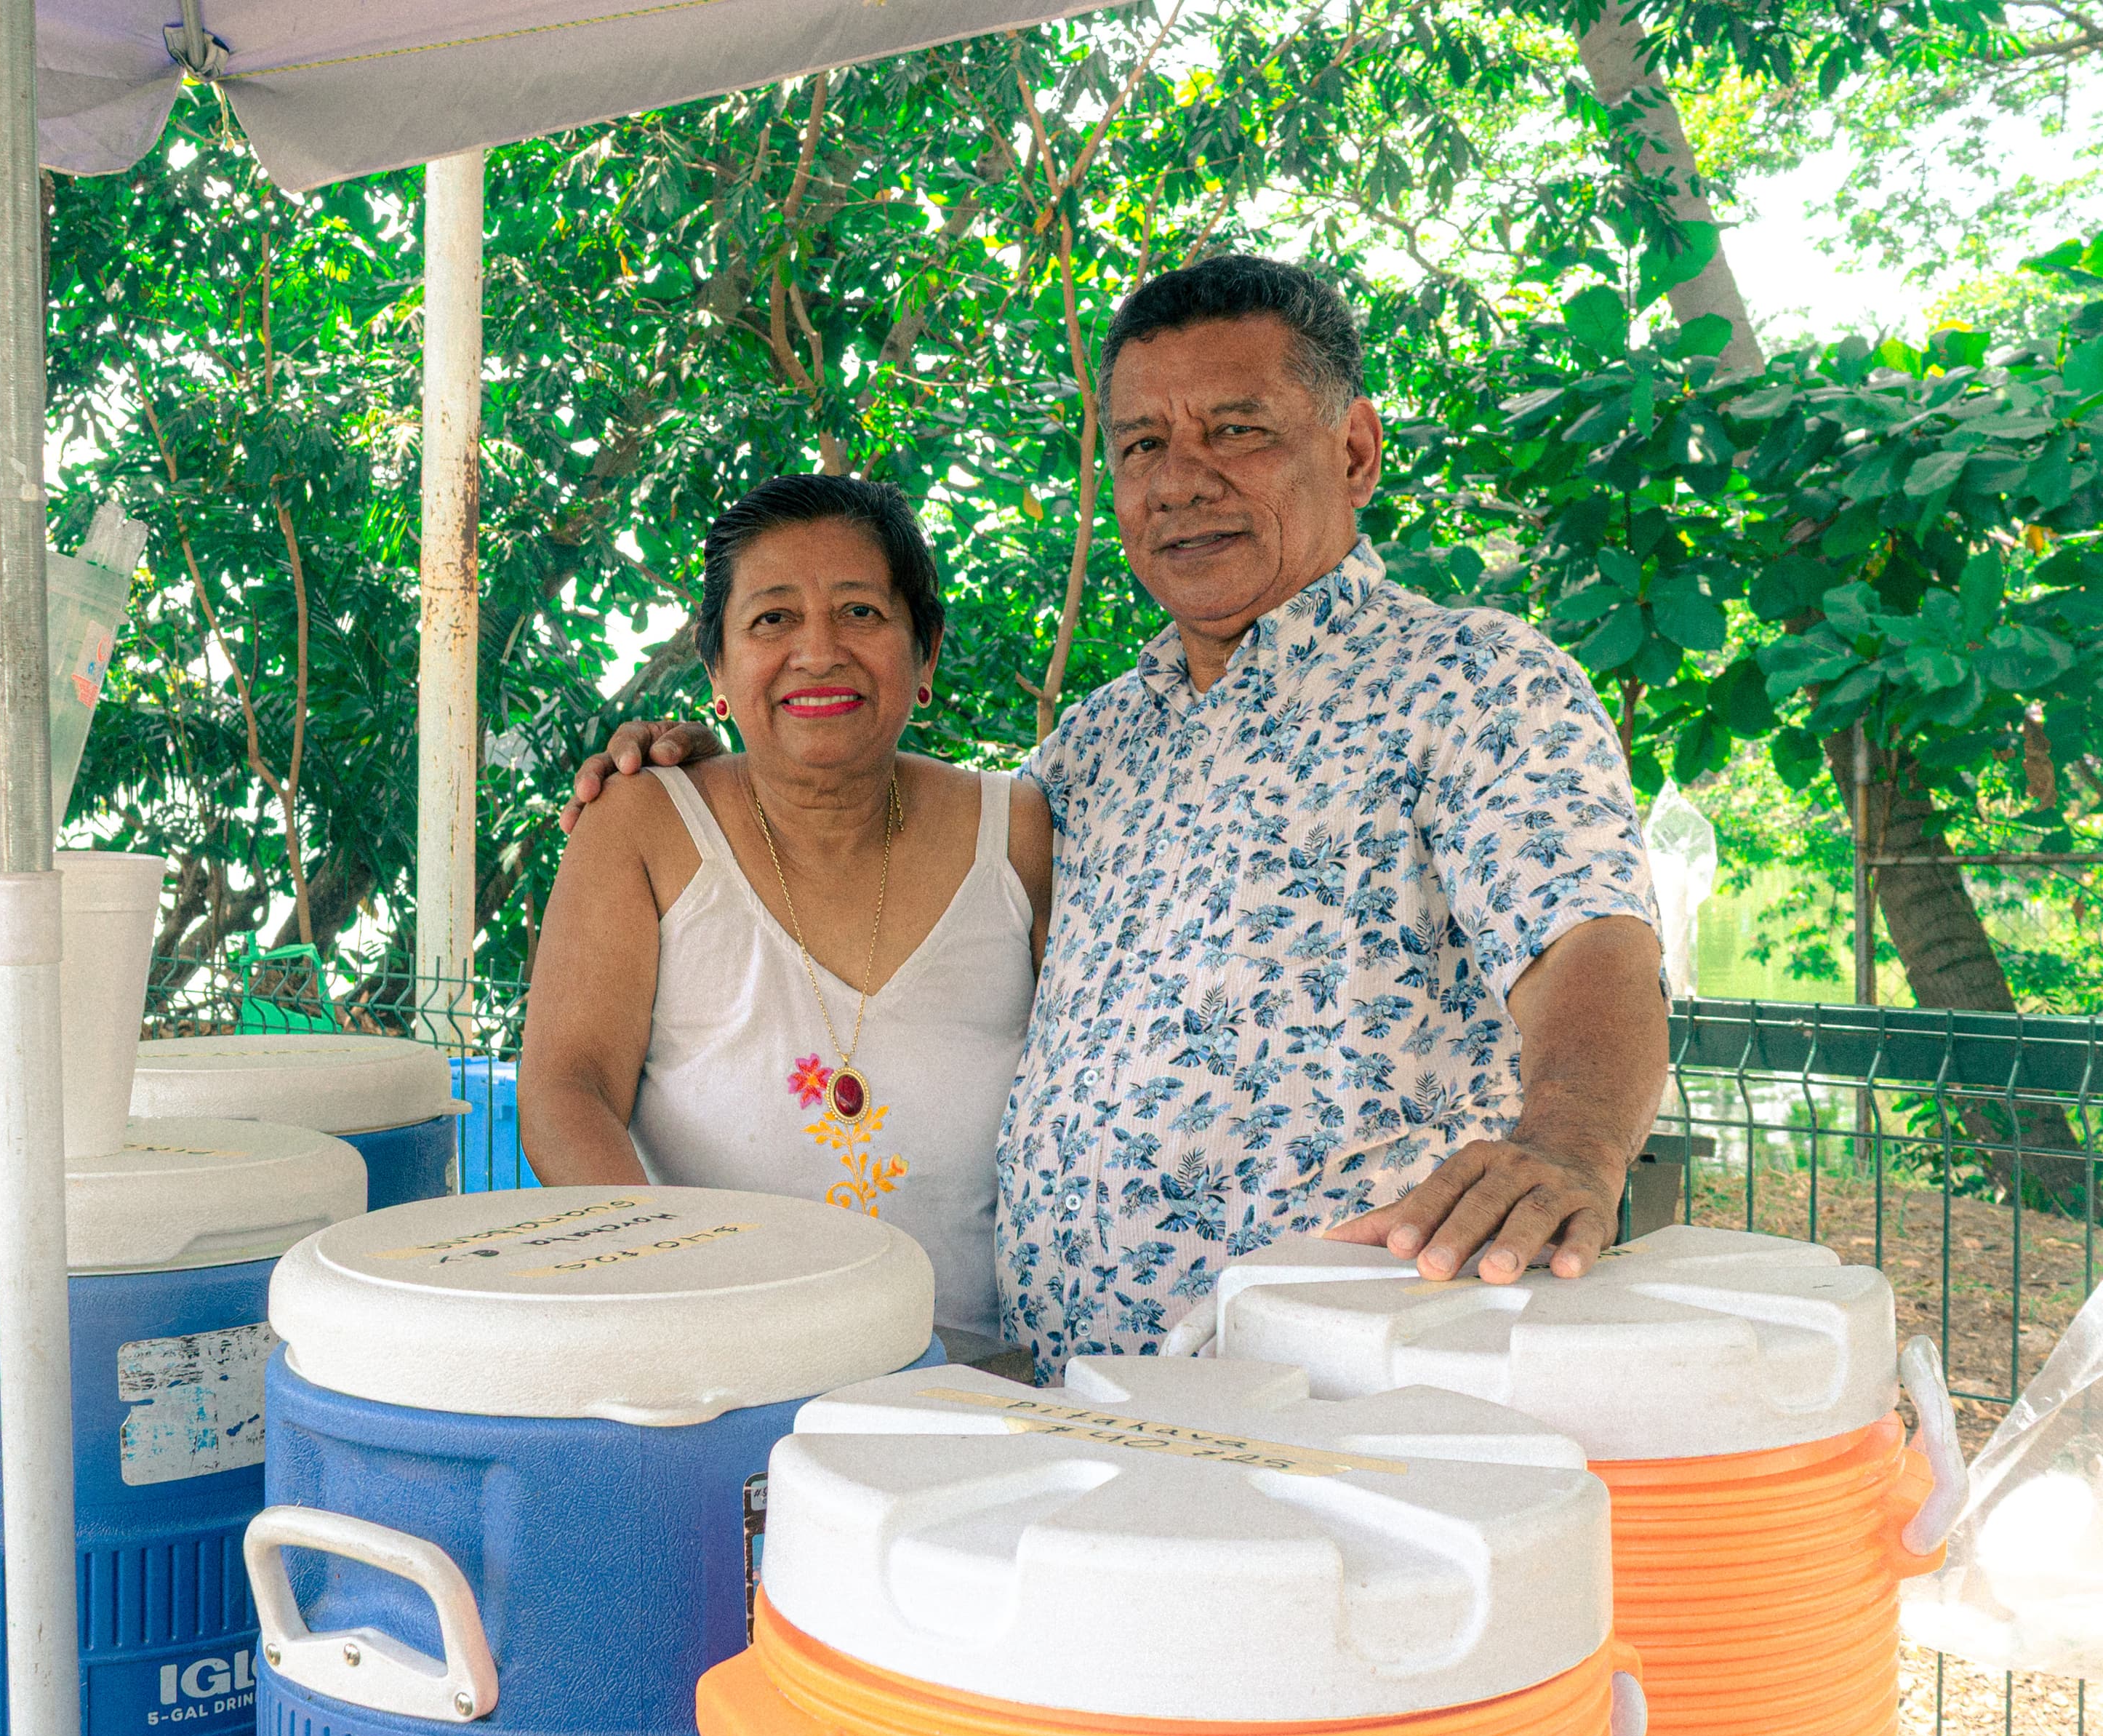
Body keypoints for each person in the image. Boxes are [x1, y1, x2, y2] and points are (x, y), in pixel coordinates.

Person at [563, 256, 1669, 1376]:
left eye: (1236, 432)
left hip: (1339, 1393)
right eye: (1142, 445)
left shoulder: (1472, 683)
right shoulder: (1097, 748)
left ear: (1356, 452)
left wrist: (1572, 1144)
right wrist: (717, 767)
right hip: (1074, 1416)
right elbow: (874, 824)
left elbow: (1588, 943)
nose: (1179, 482)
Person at [520, 474, 1053, 1339]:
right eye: (773, 619)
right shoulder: (644, 824)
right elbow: (563, 1089)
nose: (818, 652)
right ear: (718, 670)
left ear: (925, 654)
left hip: (979, 1391)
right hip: (724, 1379)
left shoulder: (1021, 833)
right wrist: (676, 1293)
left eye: (861, 613)